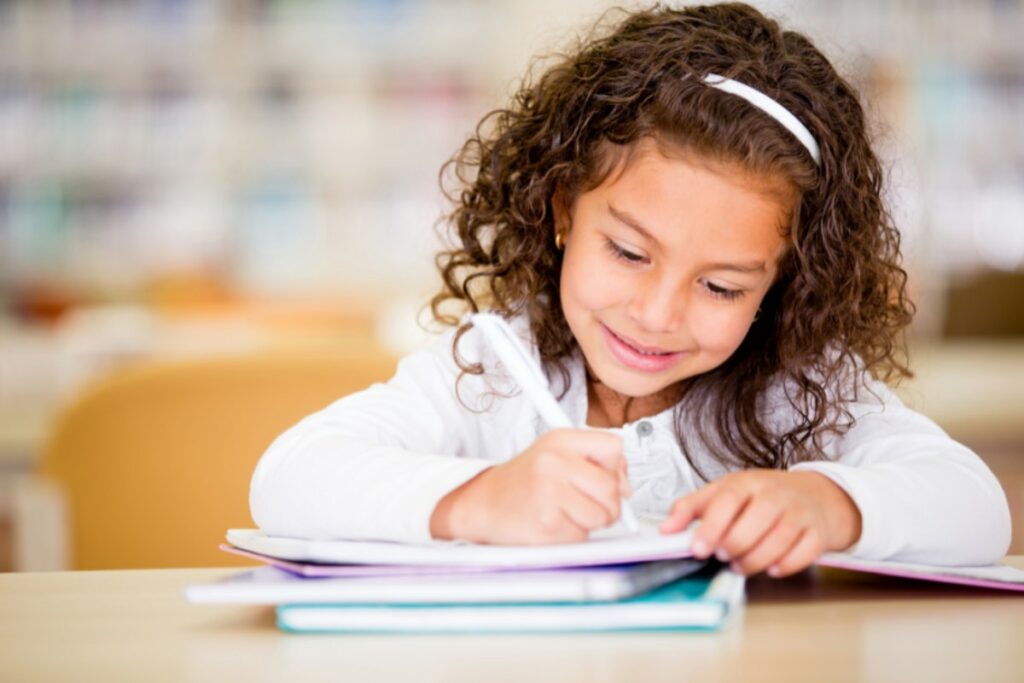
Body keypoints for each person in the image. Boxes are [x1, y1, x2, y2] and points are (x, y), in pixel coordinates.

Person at [249, 3, 1011, 577]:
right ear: (560, 210)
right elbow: (288, 479)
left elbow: (978, 508)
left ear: (784, 283)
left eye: (719, 285)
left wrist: (829, 504)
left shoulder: (799, 392)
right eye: (626, 251)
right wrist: (482, 498)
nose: (656, 313)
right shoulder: (489, 371)